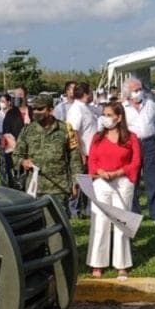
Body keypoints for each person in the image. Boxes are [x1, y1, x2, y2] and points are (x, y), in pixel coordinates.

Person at [86, 101, 142, 279]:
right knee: (100, 223)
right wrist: (100, 172)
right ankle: (97, 263)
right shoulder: (97, 137)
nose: (105, 118)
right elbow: (92, 160)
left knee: (120, 223)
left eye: (109, 115)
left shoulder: (131, 138)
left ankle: (122, 264)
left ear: (119, 118)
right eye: (104, 114)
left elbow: (136, 162)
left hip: (122, 183)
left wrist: (119, 172)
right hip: (101, 183)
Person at [14, 94, 82, 207]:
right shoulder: (28, 130)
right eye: (34, 109)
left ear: (50, 110)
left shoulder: (65, 129)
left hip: (59, 188)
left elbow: (75, 158)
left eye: (40, 109)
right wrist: (23, 162)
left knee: (58, 222)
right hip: (35, 188)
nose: (36, 112)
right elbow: (16, 155)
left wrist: (76, 182)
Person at [122, 78, 155, 224]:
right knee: (132, 180)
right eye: (135, 90)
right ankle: (134, 213)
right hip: (131, 145)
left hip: (149, 143)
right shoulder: (123, 108)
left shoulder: (150, 104)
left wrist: (152, 138)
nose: (139, 92)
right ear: (128, 92)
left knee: (153, 179)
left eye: (140, 89)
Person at [66, 83, 97, 217]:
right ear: (85, 94)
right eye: (91, 91)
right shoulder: (76, 110)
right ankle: (74, 211)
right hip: (84, 153)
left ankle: (87, 209)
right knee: (80, 182)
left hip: (92, 152)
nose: (92, 94)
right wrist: (80, 152)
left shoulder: (86, 108)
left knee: (90, 183)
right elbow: (73, 132)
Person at [0, 93, 23, 187]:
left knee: (10, 161)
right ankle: (3, 180)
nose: (1, 103)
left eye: (3, 101)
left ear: (9, 102)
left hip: (10, 140)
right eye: (0, 101)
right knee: (1, 161)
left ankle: (12, 180)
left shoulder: (13, 114)